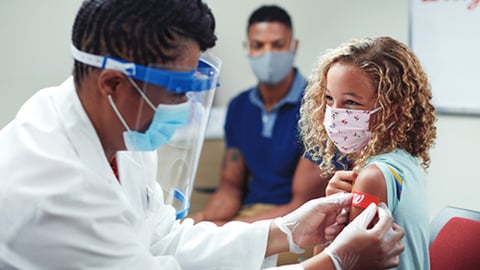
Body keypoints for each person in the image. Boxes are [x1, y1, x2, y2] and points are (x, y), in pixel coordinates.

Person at [0, 1, 405, 269]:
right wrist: (332, 263)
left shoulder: (118, 133)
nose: (182, 107)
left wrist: (286, 231)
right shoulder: (53, 190)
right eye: (177, 91)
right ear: (113, 83)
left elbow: (164, 240)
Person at [299, 36, 436, 269]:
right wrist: (334, 207)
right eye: (329, 99)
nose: (334, 114)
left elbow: (339, 264)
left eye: (351, 103)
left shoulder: (373, 177)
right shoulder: (405, 162)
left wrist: (327, 228)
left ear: (393, 110)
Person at [192, 5, 330, 227]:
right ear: (248, 48)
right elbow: (230, 189)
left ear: (293, 47)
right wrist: (199, 222)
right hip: (249, 216)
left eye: (277, 45)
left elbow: (303, 205)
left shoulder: (319, 106)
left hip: (298, 224)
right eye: (258, 46)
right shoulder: (239, 107)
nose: (268, 54)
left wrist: (230, 231)